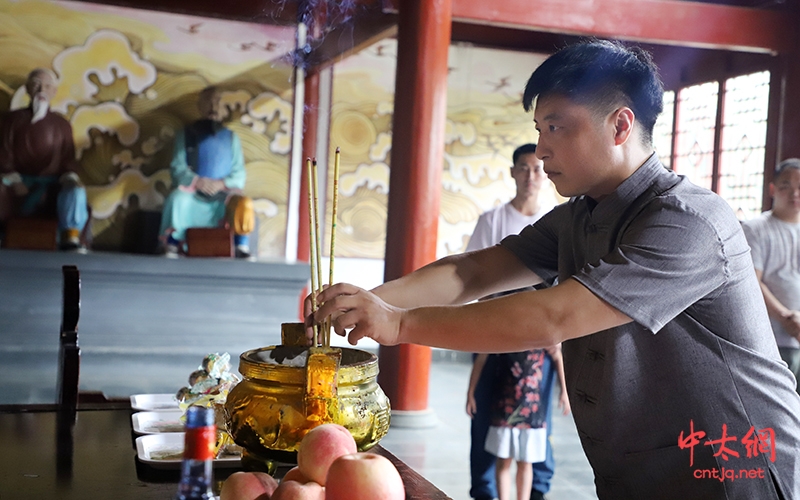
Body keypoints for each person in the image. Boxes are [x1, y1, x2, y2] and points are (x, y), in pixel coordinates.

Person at [309, 40, 800, 499]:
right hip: (641, 465)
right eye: (539, 131)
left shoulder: (688, 222)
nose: (541, 151)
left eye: (557, 127)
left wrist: (397, 323)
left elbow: (554, 317)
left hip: (734, 469)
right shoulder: (581, 214)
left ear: (620, 126)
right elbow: (475, 272)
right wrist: (369, 300)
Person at [464, 143, 568, 500]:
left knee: (537, 422)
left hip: (540, 342)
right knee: (487, 420)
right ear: (512, 173)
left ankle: (536, 491)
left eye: (538, 168)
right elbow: (475, 282)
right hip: (496, 338)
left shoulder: (557, 222)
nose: (531, 176)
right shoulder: (492, 221)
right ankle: (485, 491)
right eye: (523, 168)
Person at [159, 86, 254, 258]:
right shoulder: (185, 134)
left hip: (221, 195)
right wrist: (198, 182)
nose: (213, 106)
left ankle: (240, 245)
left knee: (243, 203)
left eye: (217, 102)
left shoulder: (231, 138)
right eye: (207, 102)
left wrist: (221, 184)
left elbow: (239, 173)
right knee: (176, 199)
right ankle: (172, 243)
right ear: (200, 106)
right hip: (193, 193)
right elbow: (177, 167)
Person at [0, 68, 88, 250]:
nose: (42, 90)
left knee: (76, 192)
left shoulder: (62, 125)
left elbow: (67, 160)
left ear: (54, 92)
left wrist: (70, 178)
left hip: (51, 183)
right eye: (36, 85)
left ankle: (69, 236)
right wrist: (15, 180)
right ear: (27, 89)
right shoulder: (10, 121)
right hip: (16, 180)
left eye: (47, 86)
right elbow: (4, 153)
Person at [742, 158, 800, 395]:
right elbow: (751, 282)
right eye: (786, 185)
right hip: (774, 341)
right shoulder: (755, 228)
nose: (795, 193)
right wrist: (787, 318)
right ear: (773, 189)